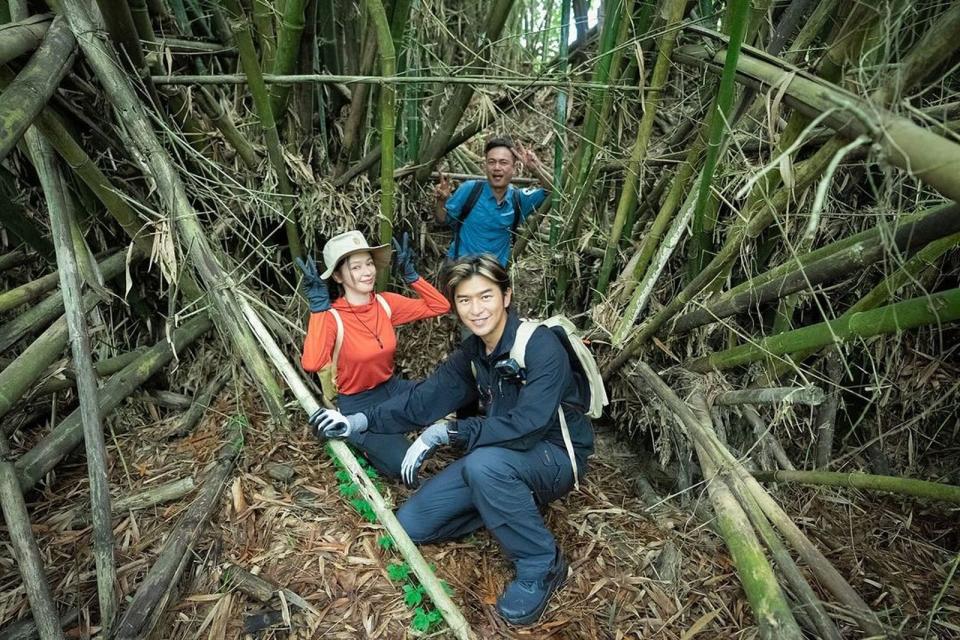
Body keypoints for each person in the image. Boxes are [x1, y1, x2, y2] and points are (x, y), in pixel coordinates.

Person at [309, 254, 593, 626]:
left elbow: (530, 423)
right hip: (500, 457)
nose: (476, 310)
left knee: (482, 465)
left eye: (486, 296)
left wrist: (451, 432)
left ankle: (541, 563)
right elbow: (424, 399)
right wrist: (356, 420)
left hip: (554, 456)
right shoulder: (474, 353)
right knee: (411, 525)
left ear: (506, 296)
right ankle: (500, 505)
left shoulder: (539, 346)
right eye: (464, 300)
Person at [298, 230, 450, 478]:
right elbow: (312, 362)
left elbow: (440, 306)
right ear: (338, 276)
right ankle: (366, 441)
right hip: (357, 403)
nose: (367, 272)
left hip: (391, 390)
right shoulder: (332, 316)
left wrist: (412, 277)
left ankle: (394, 427)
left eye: (369, 263)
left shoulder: (385, 303)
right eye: (356, 267)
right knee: (406, 468)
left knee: (446, 393)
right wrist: (317, 310)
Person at [434, 138, 552, 266]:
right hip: (460, 270)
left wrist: (536, 170)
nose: (497, 167)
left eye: (503, 162)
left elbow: (554, 190)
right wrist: (441, 201)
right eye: (491, 162)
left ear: (515, 168)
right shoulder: (470, 190)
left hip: (495, 274)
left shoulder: (518, 199)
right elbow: (442, 219)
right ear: (485, 166)